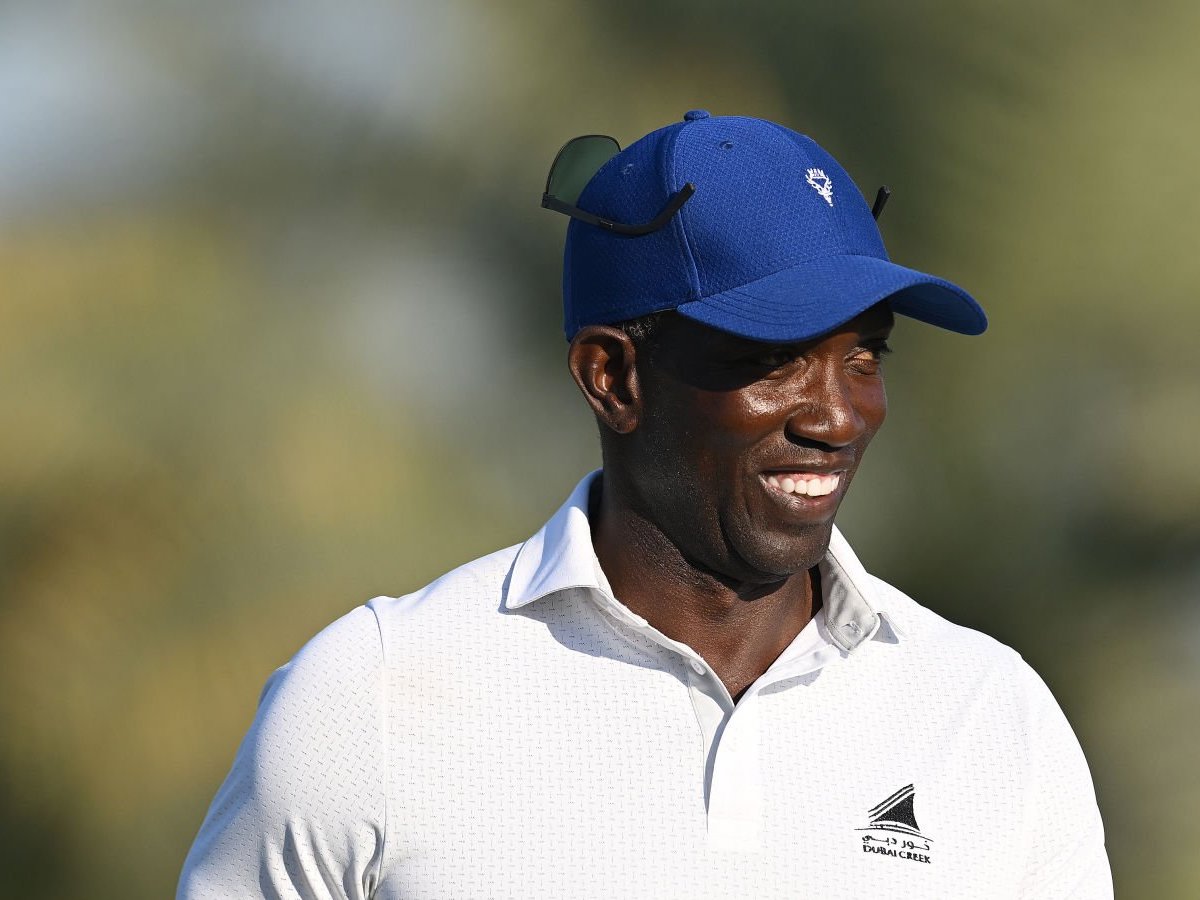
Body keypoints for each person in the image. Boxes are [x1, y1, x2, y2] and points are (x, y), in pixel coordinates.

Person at [178, 111, 1112, 899]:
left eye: (865, 356)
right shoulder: (372, 697)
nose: (839, 414)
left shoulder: (990, 718)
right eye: (775, 357)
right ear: (612, 377)